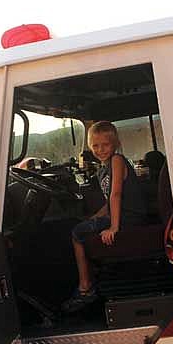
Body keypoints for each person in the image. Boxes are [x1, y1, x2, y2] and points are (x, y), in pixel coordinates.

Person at [63, 121, 146, 313]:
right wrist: (94, 218)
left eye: (105, 145)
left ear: (115, 144)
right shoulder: (102, 169)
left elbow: (116, 195)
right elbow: (109, 202)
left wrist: (114, 227)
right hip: (121, 215)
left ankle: (85, 287)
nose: (100, 150)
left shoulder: (117, 160)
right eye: (95, 146)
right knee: (84, 226)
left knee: (77, 233)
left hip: (129, 218)